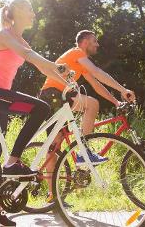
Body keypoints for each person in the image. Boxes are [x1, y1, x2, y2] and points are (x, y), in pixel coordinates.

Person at [0, 0, 69, 226]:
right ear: (17, 13)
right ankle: (13, 161)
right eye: (29, 8)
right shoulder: (4, 35)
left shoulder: (20, 39)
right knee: (41, 108)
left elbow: (41, 65)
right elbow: (29, 56)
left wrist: (65, 82)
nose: (33, 12)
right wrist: (59, 68)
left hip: (1, 95)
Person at [39, 29, 136, 203]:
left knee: (55, 146)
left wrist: (116, 102)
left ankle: (53, 196)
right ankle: (84, 152)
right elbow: (98, 72)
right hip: (53, 94)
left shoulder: (80, 63)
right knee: (92, 104)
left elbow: (96, 84)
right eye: (94, 41)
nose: (97, 44)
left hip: (59, 97)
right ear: (84, 42)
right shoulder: (76, 52)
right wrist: (123, 90)